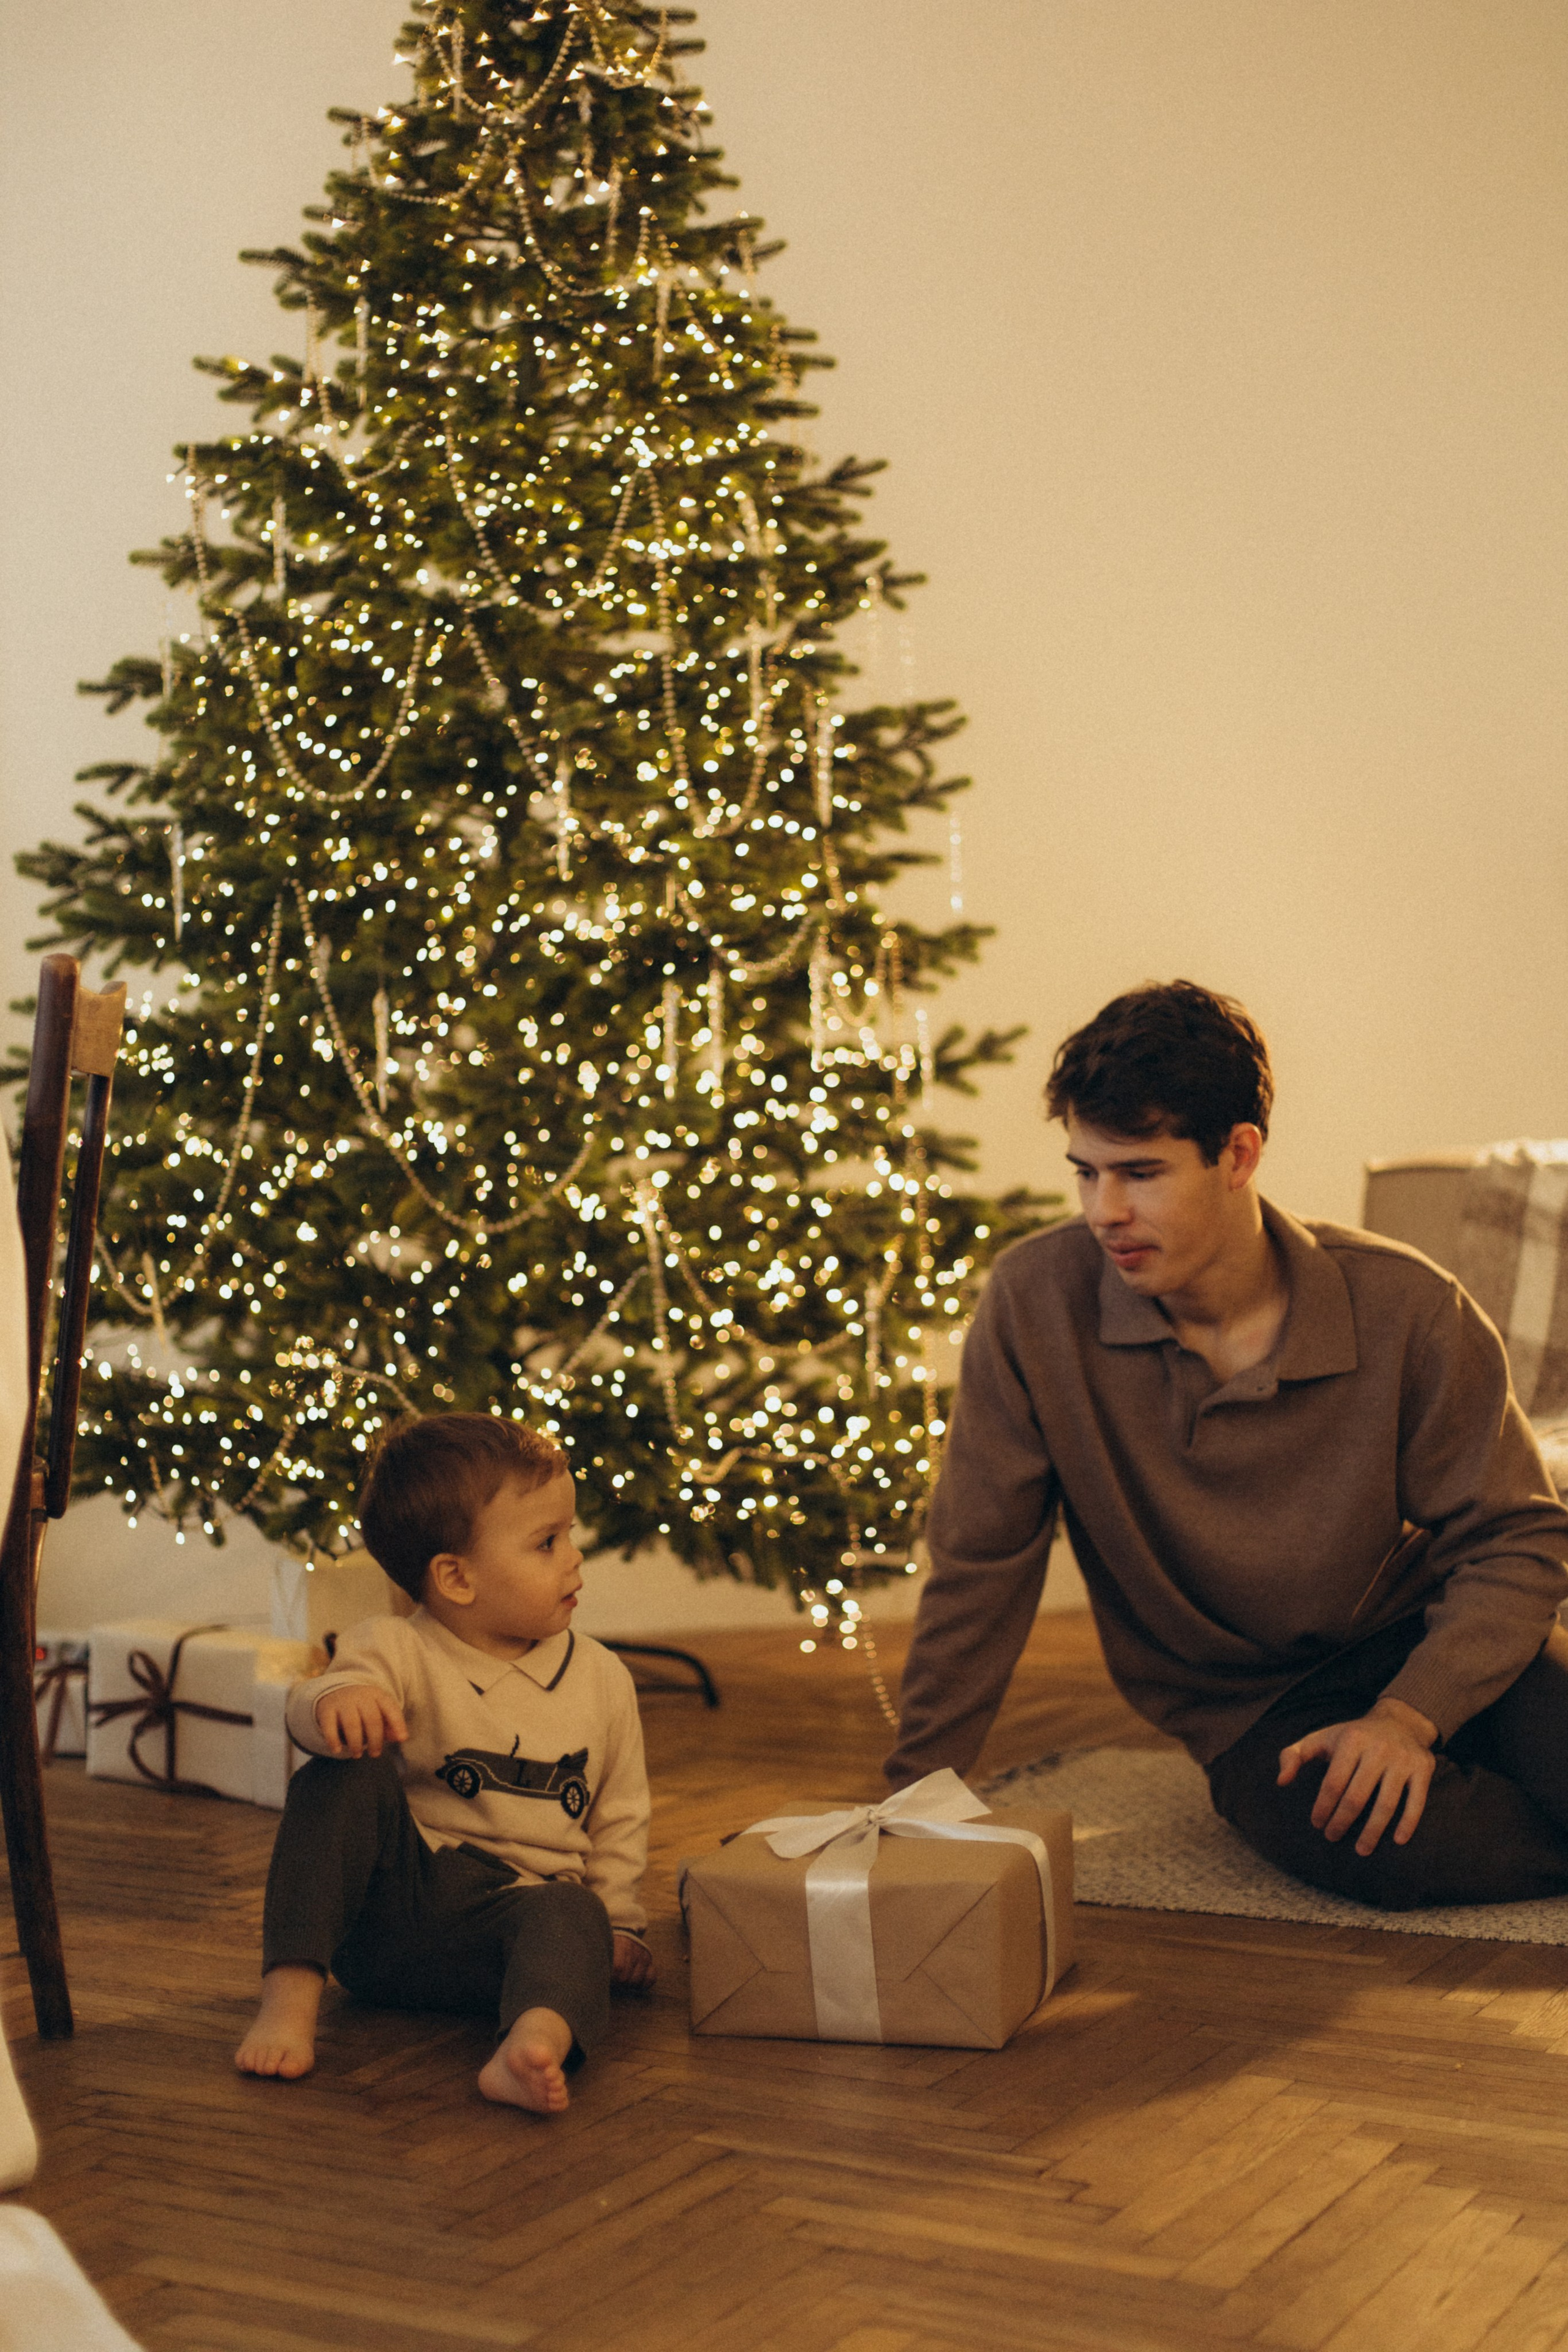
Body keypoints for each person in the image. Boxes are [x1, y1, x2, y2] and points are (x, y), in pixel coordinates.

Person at [887, 980, 1568, 1910]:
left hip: (1425, 1636)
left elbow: (1515, 1539)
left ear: (1238, 1154)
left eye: (1140, 1172)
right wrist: (915, 1793)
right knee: (1394, 1850)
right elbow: (980, 1566)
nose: (1103, 1211)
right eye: (1086, 1172)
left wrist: (1407, 1718)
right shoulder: (1033, 1303)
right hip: (1253, 1711)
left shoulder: (1408, 1305)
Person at [236, 1413, 654, 2114]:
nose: (574, 1558)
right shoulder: (395, 1647)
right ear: (456, 1578)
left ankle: (532, 2041)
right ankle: (289, 1995)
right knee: (338, 1776)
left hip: (508, 1938)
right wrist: (343, 1701)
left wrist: (619, 1920)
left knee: (572, 1910)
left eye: (570, 1534)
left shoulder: (603, 1678)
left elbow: (619, 1813)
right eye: (547, 1542)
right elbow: (312, 1704)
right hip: (389, 1918)